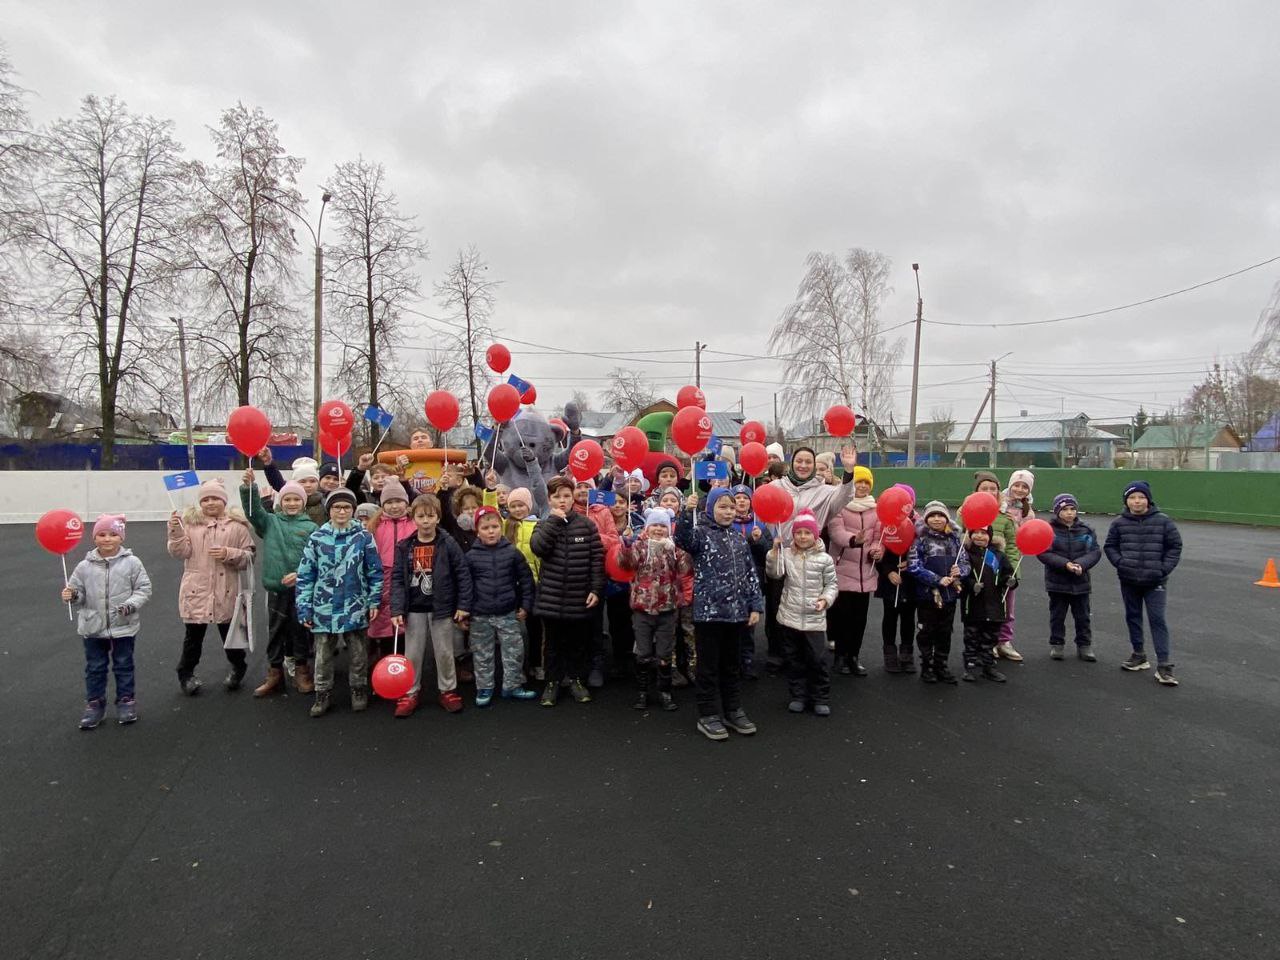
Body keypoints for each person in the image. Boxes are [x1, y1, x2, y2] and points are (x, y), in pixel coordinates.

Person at [674, 488, 764, 741]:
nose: (727, 512)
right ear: (710, 509)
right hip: (709, 615)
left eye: (731, 507)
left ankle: (732, 709)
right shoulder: (700, 535)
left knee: (731, 666)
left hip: (736, 615)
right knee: (708, 667)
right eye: (722, 507)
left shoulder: (738, 539)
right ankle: (708, 713)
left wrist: (755, 605)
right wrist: (685, 511)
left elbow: (749, 575)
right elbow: (681, 538)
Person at [765, 444, 858, 675]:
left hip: (810, 556)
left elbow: (844, 497)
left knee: (807, 606)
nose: (804, 465)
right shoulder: (776, 486)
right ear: (792, 463)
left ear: (814, 465)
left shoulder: (824, 491)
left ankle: (806, 655)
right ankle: (778, 654)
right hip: (782, 553)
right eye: (799, 461)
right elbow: (763, 508)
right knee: (777, 604)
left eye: (808, 461)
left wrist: (848, 472)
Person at [295, 489, 383, 717]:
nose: (342, 511)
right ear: (329, 511)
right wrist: (304, 606)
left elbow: (374, 571)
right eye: (337, 507)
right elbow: (306, 575)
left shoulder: (363, 537)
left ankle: (359, 689)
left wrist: (374, 601)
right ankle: (322, 693)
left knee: (358, 652)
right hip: (323, 607)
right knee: (323, 655)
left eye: (346, 507)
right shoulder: (317, 538)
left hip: (355, 605)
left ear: (353, 510)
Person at [61, 515, 152, 729]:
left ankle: (126, 700)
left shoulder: (132, 562)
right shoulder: (84, 566)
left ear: (121, 537)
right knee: (95, 667)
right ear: (94, 538)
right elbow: (78, 594)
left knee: (123, 664)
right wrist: (72, 596)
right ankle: (95, 704)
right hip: (93, 626)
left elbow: (144, 589)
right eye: (101, 534)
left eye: (113, 534)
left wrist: (130, 605)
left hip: (124, 625)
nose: (107, 539)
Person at [167, 478, 256, 695]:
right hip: (197, 591)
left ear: (224, 501)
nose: (210, 503)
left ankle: (238, 666)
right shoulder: (189, 525)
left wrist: (229, 553)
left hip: (227, 591)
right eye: (205, 499)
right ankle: (186, 673)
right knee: (193, 639)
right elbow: (180, 552)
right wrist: (176, 532)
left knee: (231, 636)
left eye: (215, 498)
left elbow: (250, 556)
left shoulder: (237, 527)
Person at [389, 494, 472, 716]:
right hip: (414, 607)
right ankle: (410, 692)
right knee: (412, 654)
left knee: (444, 652)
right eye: (421, 516)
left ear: (438, 518)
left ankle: (448, 690)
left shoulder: (448, 543)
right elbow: (397, 578)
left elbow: (462, 574)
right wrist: (396, 608)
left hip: (441, 608)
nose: (426, 521)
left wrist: (463, 604)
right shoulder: (405, 546)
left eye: (430, 516)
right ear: (413, 518)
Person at [240, 469, 317, 697]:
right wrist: (249, 489)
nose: (292, 503)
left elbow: (316, 560)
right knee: (275, 632)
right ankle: (274, 673)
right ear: (280, 502)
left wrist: (300, 575)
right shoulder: (270, 523)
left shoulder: (312, 528)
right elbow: (253, 513)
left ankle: (302, 671)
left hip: (302, 590)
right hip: (276, 588)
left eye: (296, 499)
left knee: (300, 631)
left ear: (303, 503)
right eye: (287, 499)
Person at [531, 476, 604, 706]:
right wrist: (553, 521)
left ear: (573, 498)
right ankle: (552, 682)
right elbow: (538, 548)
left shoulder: (587, 524)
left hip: (578, 596)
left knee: (577, 642)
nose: (562, 501)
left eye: (566, 496)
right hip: (551, 597)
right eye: (556, 496)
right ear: (549, 499)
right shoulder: (544, 524)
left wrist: (595, 588)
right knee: (552, 644)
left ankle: (576, 680)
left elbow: (596, 559)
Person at [1104, 480, 1182, 685]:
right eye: (1132, 498)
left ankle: (1164, 666)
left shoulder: (1163, 521)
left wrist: (1163, 569)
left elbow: (1175, 546)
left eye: (1141, 497)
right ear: (1126, 501)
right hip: (1129, 579)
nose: (1137, 501)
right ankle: (1139, 655)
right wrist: (1121, 563)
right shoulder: (1119, 523)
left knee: (1157, 619)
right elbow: (1110, 546)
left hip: (1155, 580)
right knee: (1133, 616)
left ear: (1148, 499)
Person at [617, 508, 692, 712]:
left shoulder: (674, 549)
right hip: (642, 608)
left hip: (667, 608)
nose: (658, 529)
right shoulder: (640, 547)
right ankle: (642, 692)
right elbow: (624, 564)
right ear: (648, 528)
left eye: (662, 526)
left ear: (668, 529)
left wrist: (680, 548)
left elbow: (687, 569)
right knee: (643, 652)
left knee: (664, 653)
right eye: (655, 525)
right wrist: (625, 543)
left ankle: (665, 691)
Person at [462, 506, 537, 705]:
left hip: (508, 612)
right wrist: (464, 612)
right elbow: (464, 586)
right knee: (482, 653)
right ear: (477, 530)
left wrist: (526, 605)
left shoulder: (512, 553)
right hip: (480, 614)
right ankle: (484, 688)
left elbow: (527, 580)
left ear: (501, 528)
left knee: (514, 651)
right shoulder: (470, 557)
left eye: (495, 526)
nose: (491, 531)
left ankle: (512, 685)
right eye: (485, 527)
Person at [767, 509, 838, 715]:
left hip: (814, 619)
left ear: (815, 535)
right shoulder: (787, 555)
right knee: (794, 659)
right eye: (798, 533)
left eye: (807, 533)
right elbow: (774, 573)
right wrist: (774, 553)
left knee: (818, 659)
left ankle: (820, 697)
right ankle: (798, 695)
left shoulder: (824, 559)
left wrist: (825, 599)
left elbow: (832, 584)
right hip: (790, 616)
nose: (802, 537)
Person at [825, 465, 881, 677]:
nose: (863, 486)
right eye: (859, 482)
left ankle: (854, 657)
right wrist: (853, 540)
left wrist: (877, 550)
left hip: (865, 575)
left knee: (859, 620)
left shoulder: (876, 510)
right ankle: (840, 656)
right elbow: (836, 532)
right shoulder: (839, 506)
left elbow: (878, 537)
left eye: (867, 482)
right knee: (841, 618)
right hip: (841, 571)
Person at [907, 500, 969, 685]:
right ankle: (927, 666)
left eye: (940, 515)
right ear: (926, 519)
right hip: (928, 595)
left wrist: (961, 571)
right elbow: (913, 565)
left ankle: (942, 665)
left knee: (945, 631)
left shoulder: (955, 540)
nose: (936, 519)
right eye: (932, 516)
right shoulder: (920, 541)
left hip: (950, 596)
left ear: (947, 519)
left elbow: (965, 562)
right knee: (927, 631)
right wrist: (936, 579)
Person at [1038, 493, 1101, 661]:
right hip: (1057, 582)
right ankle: (1057, 644)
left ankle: (1084, 645)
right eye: (1065, 509)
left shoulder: (1086, 530)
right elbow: (1044, 552)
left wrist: (1082, 564)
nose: (1069, 513)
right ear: (1057, 510)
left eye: (1072, 509)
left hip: (1081, 582)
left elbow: (1095, 551)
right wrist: (1065, 564)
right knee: (1057, 615)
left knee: (1083, 616)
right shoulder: (1049, 530)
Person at [364, 480, 415, 687]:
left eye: (399, 501)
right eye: (390, 502)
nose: (395, 506)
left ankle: (404, 675)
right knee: (383, 631)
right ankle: (383, 676)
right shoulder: (374, 526)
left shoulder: (414, 523)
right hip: (382, 580)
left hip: (407, 579)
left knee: (405, 630)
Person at [959, 525, 1016, 682]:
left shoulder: (998, 556)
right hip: (973, 605)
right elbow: (962, 576)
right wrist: (972, 585)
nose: (979, 536)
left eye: (983, 533)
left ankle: (988, 666)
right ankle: (969, 666)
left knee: (990, 638)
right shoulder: (965, 555)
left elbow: (1008, 573)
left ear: (990, 536)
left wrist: (1011, 581)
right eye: (975, 533)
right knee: (971, 637)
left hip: (994, 605)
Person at [875, 484, 919, 673]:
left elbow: (923, 552)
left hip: (911, 579)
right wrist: (888, 572)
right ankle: (890, 654)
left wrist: (910, 563)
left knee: (909, 618)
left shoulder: (919, 524)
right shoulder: (883, 524)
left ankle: (907, 654)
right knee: (890, 617)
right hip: (889, 580)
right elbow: (878, 553)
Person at [729, 484, 772, 678]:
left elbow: (769, 553)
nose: (741, 501)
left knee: (749, 624)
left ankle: (747, 661)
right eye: (737, 497)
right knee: (731, 624)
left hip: (753, 581)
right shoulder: (726, 523)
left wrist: (759, 539)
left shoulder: (760, 524)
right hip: (730, 581)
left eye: (745, 498)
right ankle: (732, 661)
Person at [502, 487, 543, 680]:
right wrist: (491, 490)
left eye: (521, 505)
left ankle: (536, 663)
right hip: (512, 585)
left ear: (529, 506)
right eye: (513, 506)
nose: (518, 510)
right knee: (514, 631)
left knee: (536, 629)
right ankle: (516, 669)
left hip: (534, 584)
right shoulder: (505, 525)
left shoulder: (538, 525)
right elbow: (489, 509)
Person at [260, 450, 326, 525]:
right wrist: (269, 464)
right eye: (303, 481)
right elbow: (273, 526)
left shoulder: (325, 503)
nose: (308, 485)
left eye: (312, 481)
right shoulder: (284, 505)